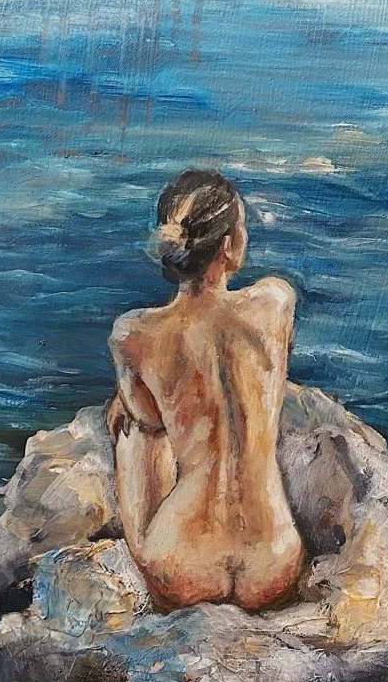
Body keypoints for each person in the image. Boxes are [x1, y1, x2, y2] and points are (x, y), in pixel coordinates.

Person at [105, 169, 303, 612]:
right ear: (228, 246)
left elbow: (150, 418)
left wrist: (129, 397)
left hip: (183, 565)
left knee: (134, 427)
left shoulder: (133, 335)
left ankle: (153, 545)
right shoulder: (276, 302)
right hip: (272, 562)